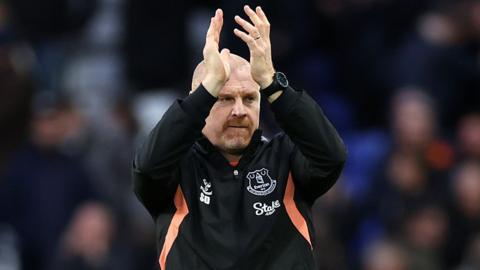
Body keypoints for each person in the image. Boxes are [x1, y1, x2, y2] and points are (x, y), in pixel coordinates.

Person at [133, 5, 347, 270]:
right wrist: (206, 88)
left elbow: (332, 156)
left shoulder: (286, 157)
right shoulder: (176, 168)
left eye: (249, 98)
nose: (239, 110)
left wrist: (271, 82)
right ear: (200, 101)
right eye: (223, 98)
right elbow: (146, 167)